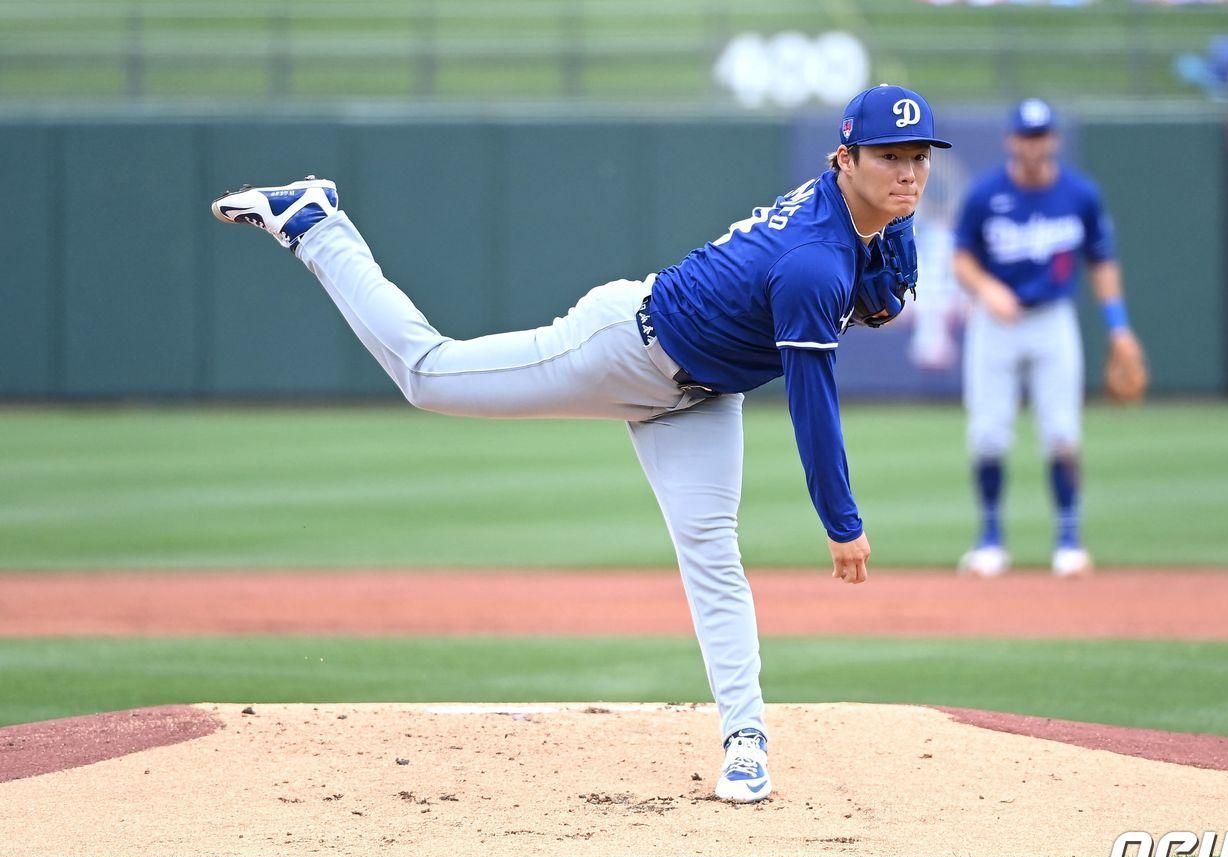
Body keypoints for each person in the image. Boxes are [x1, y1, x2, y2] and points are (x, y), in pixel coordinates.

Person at [211, 85, 949, 803]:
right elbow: (811, 404)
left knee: (713, 554)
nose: (909, 172)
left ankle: (746, 738)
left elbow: (885, 284)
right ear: (844, 159)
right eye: (889, 156)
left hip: (700, 394)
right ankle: (316, 223)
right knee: (428, 374)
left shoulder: (878, 212)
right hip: (623, 348)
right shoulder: (814, 261)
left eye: (919, 156)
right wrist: (842, 521)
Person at [951, 98, 1142, 578]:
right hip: (996, 323)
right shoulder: (984, 195)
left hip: (1052, 318)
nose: (1033, 145)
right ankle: (991, 540)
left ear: (1053, 140)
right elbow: (961, 258)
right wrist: (987, 287)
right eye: (1025, 136)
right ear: (1011, 140)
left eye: (1041, 136)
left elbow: (1102, 261)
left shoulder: (1080, 195)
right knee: (988, 435)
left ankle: (1069, 540)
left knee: (1062, 434)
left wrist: (1118, 326)